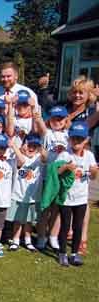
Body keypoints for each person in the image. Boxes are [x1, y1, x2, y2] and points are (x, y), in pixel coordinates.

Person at [56, 122, 98, 266]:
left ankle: (74, 254)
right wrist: (66, 166)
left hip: (81, 197)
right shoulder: (64, 153)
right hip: (66, 197)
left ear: (86, 140)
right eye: (74, 139)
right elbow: (56, 172)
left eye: (80, 139)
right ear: (69, 139)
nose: (76, 142)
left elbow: (93, 177)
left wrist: (94, 172)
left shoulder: (90, 155)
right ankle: (62, 253)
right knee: (65, 226)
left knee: (78, 226)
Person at [34, 105, 69, 250]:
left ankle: (53, 236)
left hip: (61, 176)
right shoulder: (47, 134)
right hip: (47, 176)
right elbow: (40, 125)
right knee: (45, 209)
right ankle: (42, 237)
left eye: (60, 119)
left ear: (65, 120)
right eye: (54, 119)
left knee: (57, 209)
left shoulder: (68, 135)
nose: (57, 122)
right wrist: (38, 115)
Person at [6, 134, 46, 251]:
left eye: (35, 146)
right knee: (18, 220)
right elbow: (22, 161)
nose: (31, 148)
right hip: (19, 195)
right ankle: (16, 239)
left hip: (33, 197)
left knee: (29, 221)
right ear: (23, 145)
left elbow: (45, 157)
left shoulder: (38, 158)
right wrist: (16, 147)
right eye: (29, 145)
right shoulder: (17, 157)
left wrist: (40, 148)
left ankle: (28, 240)